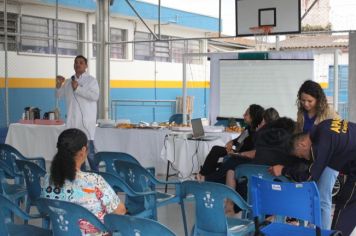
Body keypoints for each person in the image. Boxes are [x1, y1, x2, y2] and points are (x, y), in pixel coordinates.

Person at [269, 118, 356, 235]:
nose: (306, 158)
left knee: (346, 205)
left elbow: (308, 177)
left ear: (302, 144)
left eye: (301, 155)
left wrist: (284, 170)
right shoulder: (323, 126)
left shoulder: (321, 146)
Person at [41, 128, 126, 235]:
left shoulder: (47, 179)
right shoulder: (94, 181)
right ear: (83, 150)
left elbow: (45, 211)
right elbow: (119, 211)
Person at [294, 80, 339, 229]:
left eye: (310, 101)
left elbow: (338, 137)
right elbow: (299, 135)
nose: (306, 104)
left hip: (331, 159)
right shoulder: (301, 113)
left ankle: (323, 232)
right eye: (303, 100)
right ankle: (312, 229)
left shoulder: (329, 113)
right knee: (312, 197)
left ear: (318, 99)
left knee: (323, 199)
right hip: (312, 159)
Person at [197, 104, 264, 182]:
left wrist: (237, 154)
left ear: (253, 117)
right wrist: (231, 142)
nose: (243, 115)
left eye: (246, 114)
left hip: (245, 156)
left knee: (231, 160)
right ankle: (204, 174)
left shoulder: (259, 132)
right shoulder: (248, 128)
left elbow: (254, 152)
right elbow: (238, 140)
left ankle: (208, 179)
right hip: (238, 152)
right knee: (216, 149)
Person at [56, 55, 99, 170]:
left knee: (90, 154)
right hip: (73, 123)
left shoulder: (91, 81)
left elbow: (95, 96)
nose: (78, 64)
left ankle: (99, 178)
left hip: (86, 125)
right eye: (76, 62)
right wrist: (59, 85)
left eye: (81, 62)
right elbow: (59, 96)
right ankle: (81, 179)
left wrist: (78, 89)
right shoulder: (69, 81)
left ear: (86, 66)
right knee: (77, 155)